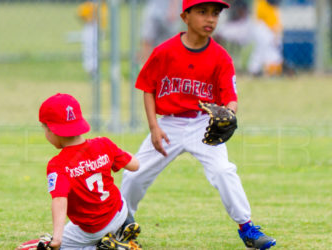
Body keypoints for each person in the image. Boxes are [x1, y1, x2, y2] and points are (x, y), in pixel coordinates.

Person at [120, 1, 277, 249]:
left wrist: (228, 115)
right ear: (185, 16)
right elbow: (148, 88)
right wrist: (153, 128)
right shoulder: (165, 51)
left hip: (204, 124)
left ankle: (247, 228)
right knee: (134, 173)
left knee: (224, 171)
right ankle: (121, 221)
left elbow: (230, 98)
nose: (211, 19)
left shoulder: (221, 57)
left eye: (215, 13)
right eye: (202, 12)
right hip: (169, 124)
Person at [38, 93, 141, 249]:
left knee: (61, 246)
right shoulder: (103, 144)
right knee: (114, 195)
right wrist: (115, 152)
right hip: (118, 213)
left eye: (44, 129)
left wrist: (57, 239)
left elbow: (59, 200)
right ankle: (120, 230)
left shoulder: (57, 165)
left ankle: (102, 246)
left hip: (91, 229)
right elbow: (135, 165)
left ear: (52, 130)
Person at [214, 0, 283, 76]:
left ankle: (258, 70)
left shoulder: (268, 7)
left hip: (257, 26)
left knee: (266, 48)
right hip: (254, 26)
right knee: (263, 48)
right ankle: (256, 70)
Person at [76, 1, 108, 76]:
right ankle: (91, 70)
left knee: (96, 49)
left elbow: (101, 14)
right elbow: (81, 14)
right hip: (90, 26)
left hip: (97, 26)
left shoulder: (101, 4)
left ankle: (94, 70)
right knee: (89, 48)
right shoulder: (88, 5)